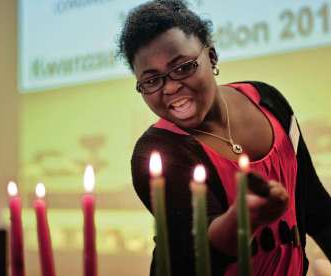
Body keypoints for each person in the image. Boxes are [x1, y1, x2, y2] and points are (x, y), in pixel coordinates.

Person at [117, 0, 331, 275]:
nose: (170, 87)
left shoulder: (269, 102)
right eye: (151, 80)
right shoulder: (157, 152)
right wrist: (246, 215)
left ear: (213, 56)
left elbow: (319, 213)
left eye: (183, 67)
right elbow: (203, 252)